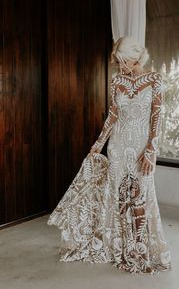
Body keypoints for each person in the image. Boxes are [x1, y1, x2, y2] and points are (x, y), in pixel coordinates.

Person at [47, 36, 172, 275]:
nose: (119, 65)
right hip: (118, 145)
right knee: (120, 196)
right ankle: (121, 248)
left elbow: (157, 119)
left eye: (121, 60)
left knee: (140, 195)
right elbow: (112, 116)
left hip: (140, 147)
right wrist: (98, 143)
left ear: (134, 56)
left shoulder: (155, 80)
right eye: (117, 61)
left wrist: (151, 150)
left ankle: (139, 249)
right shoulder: (117, 82)